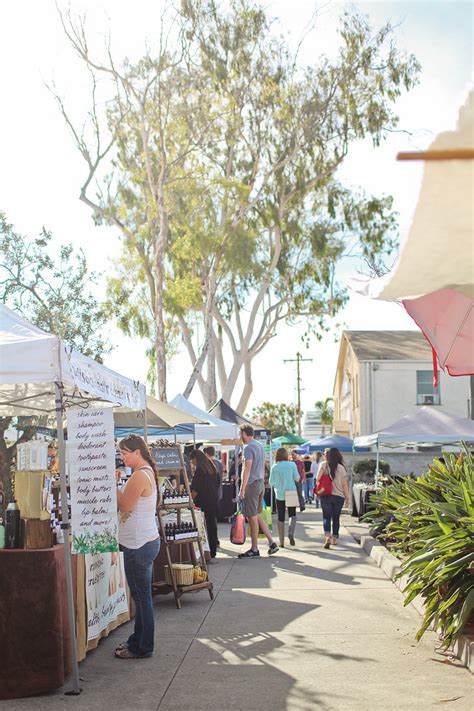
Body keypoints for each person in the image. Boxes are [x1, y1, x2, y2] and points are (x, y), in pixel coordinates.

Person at [115, 435, 160, 659]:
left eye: (124, 453)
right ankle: (138, 640)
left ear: (136, 452)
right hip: (142, 540)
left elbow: (124, 505)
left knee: (142, 598)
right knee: (142, 596)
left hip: (139, 543)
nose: (122, 457)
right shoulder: (145, 473)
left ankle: (143, 646)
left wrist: (112, 486)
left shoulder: (140, 475)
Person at [238, 425, 279, 558]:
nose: (240, 436)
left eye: (240, 433)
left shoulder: (248, 447)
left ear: (244, 433)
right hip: (260, 483)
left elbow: (247, 469)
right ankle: (272, 542)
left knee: (252, 517)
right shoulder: (259, 445)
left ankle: (254, 548)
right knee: (256, 514)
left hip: (252, 484)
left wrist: (242, 489)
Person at [315, 447, 349, 549]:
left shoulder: (323, 465)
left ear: (328, 455)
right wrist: (347, 497)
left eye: (325, 454)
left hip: (325, 495)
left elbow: (318, 480)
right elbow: (344, 484)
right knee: (336, 518)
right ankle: (334, 539)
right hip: (339, 497)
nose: (324, 455)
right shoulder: (341, 468)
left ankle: (327, 537)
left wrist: (317, 493)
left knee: (326, 517)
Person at [189, 449, 220, 560]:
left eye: (191, 459)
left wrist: (190, 500)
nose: (191, 462)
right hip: (213, 500)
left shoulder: (200, 470)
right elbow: (217, 484)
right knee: (212, 525)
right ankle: (213, 550)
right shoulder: (212, 467)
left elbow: (196, 488)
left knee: (203, 527)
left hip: (203, 501)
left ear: (196, 458)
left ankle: (206, 552)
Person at [269, 447, 299, 547]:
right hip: (291, 492)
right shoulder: (292, 464)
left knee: (280, 516)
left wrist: (278, 483)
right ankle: (291, 533)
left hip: (280, 494)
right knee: (292, 514)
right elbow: (297, 478)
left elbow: (271, 482)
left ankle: (281, 542)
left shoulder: (274, 467)